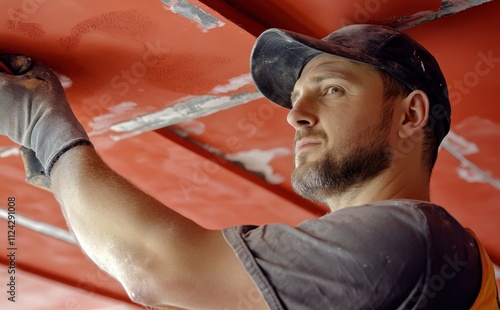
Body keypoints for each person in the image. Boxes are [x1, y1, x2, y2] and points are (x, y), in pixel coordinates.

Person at [0, 24, 498, 310]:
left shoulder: (412, 238)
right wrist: (66, 178)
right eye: (297, 97)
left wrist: (46, 126)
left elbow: (154, 268)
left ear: (411, 115)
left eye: (332, 89)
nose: (297, 115)